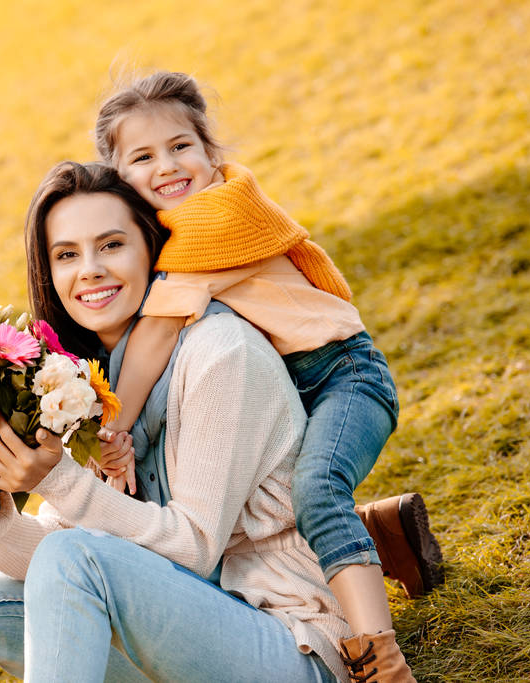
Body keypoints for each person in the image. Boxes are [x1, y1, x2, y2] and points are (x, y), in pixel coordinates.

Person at [0, 161, 364, 682]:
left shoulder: (221, 352)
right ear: (49, 274)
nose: (90, 270)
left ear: (152, 249)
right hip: (168, 642)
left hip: (284, 644)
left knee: (74, 552)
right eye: (67, 255)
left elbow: (192, 548)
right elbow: (60, 572)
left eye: (112, 245)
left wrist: (56, 480)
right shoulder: (82, 388)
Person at [91, 70, 442, 679]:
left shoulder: (217, 217)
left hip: (341, 376)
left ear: (210, 151)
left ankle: (378, 656)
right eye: (143, 156)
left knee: (315, 492)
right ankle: (382, 537)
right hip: (287, 381)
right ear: (120, 178)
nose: (168, 166)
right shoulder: (172, 231)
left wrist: (109, 418)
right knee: (258, 501)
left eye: (181, 147)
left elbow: (154, 335)